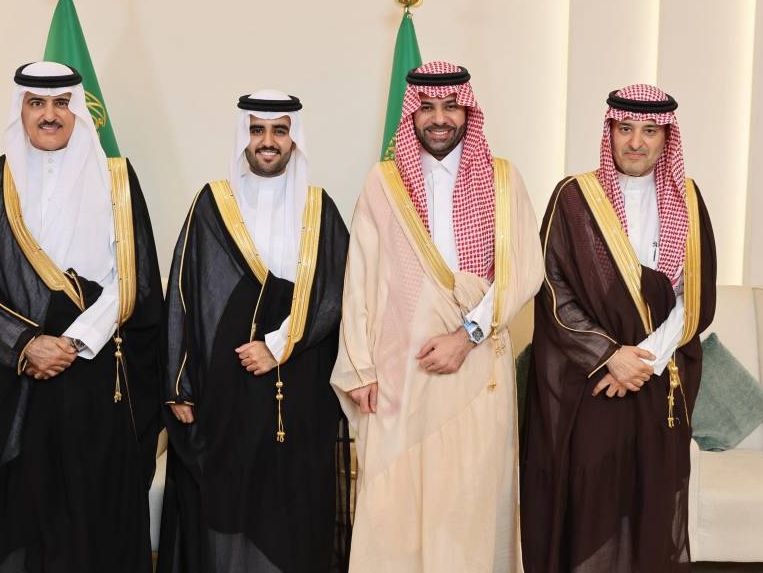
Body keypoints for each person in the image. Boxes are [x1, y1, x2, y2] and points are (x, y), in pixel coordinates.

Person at [332, 61, 543, 571]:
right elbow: (359, 277)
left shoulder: (503, 179)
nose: (439, 118)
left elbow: (523, 272)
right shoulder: (384, 182)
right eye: (426, 107)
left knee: (467, 502)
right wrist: (360, 368)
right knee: (395, 504)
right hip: (400, 371)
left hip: (475, 364)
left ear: (468, 111)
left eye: (450, 106)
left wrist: (466, 335)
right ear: (412, 114)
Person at [0, 61, 164, 572]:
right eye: (37, 103)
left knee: (93, 497)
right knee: (20, 500)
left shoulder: (116, 179)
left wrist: (74, 341)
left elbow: (133, 275)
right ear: (21, 110)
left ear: (78, 111)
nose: (50, 115)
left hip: (95, 364)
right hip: (17, 374)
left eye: (61, 103)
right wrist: (27, 344)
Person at [520, 84, 717, 572]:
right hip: (592, 382)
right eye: (625, 128)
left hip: (658, 380)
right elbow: (553, 289)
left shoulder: (688, 199)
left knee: (652, 498)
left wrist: (644, 360)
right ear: (609, 132)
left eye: (649, 131)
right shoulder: (574, 197)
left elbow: (694, 296)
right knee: (591, 498)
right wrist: (610, 355)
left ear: (666, 138)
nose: (636, 142)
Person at [159, 90, 351, 572]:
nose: (268, 141)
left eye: (279, 131)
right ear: (243, 136)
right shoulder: (212, 203)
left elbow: (336, 293)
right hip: (226, 384)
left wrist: (278, 345)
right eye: (257, 130)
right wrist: (180, 383)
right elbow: (184, 291)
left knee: (291, 498)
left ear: (294, 138)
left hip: (299, 382)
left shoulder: (319, 208)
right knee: (228, 493)